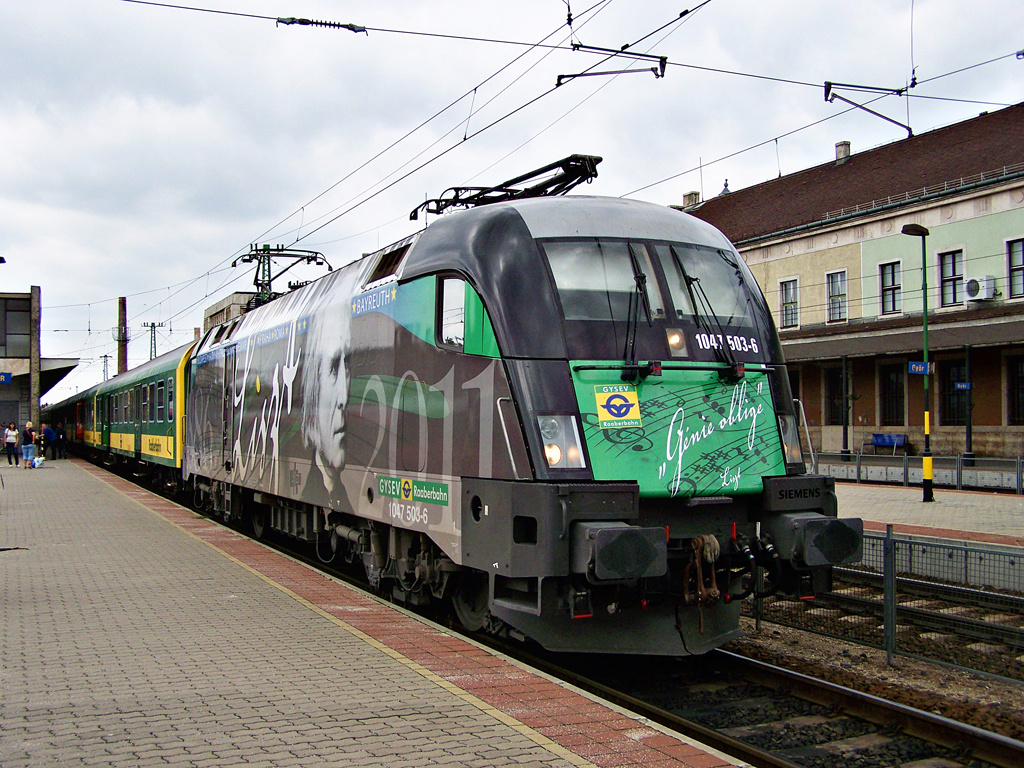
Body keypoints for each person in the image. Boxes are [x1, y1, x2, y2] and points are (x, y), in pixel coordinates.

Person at [300, 273, 358, 513]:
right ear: (312, 391)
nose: (344, 397)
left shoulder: (346, 498)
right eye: (334, 368)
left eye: (349, 366)